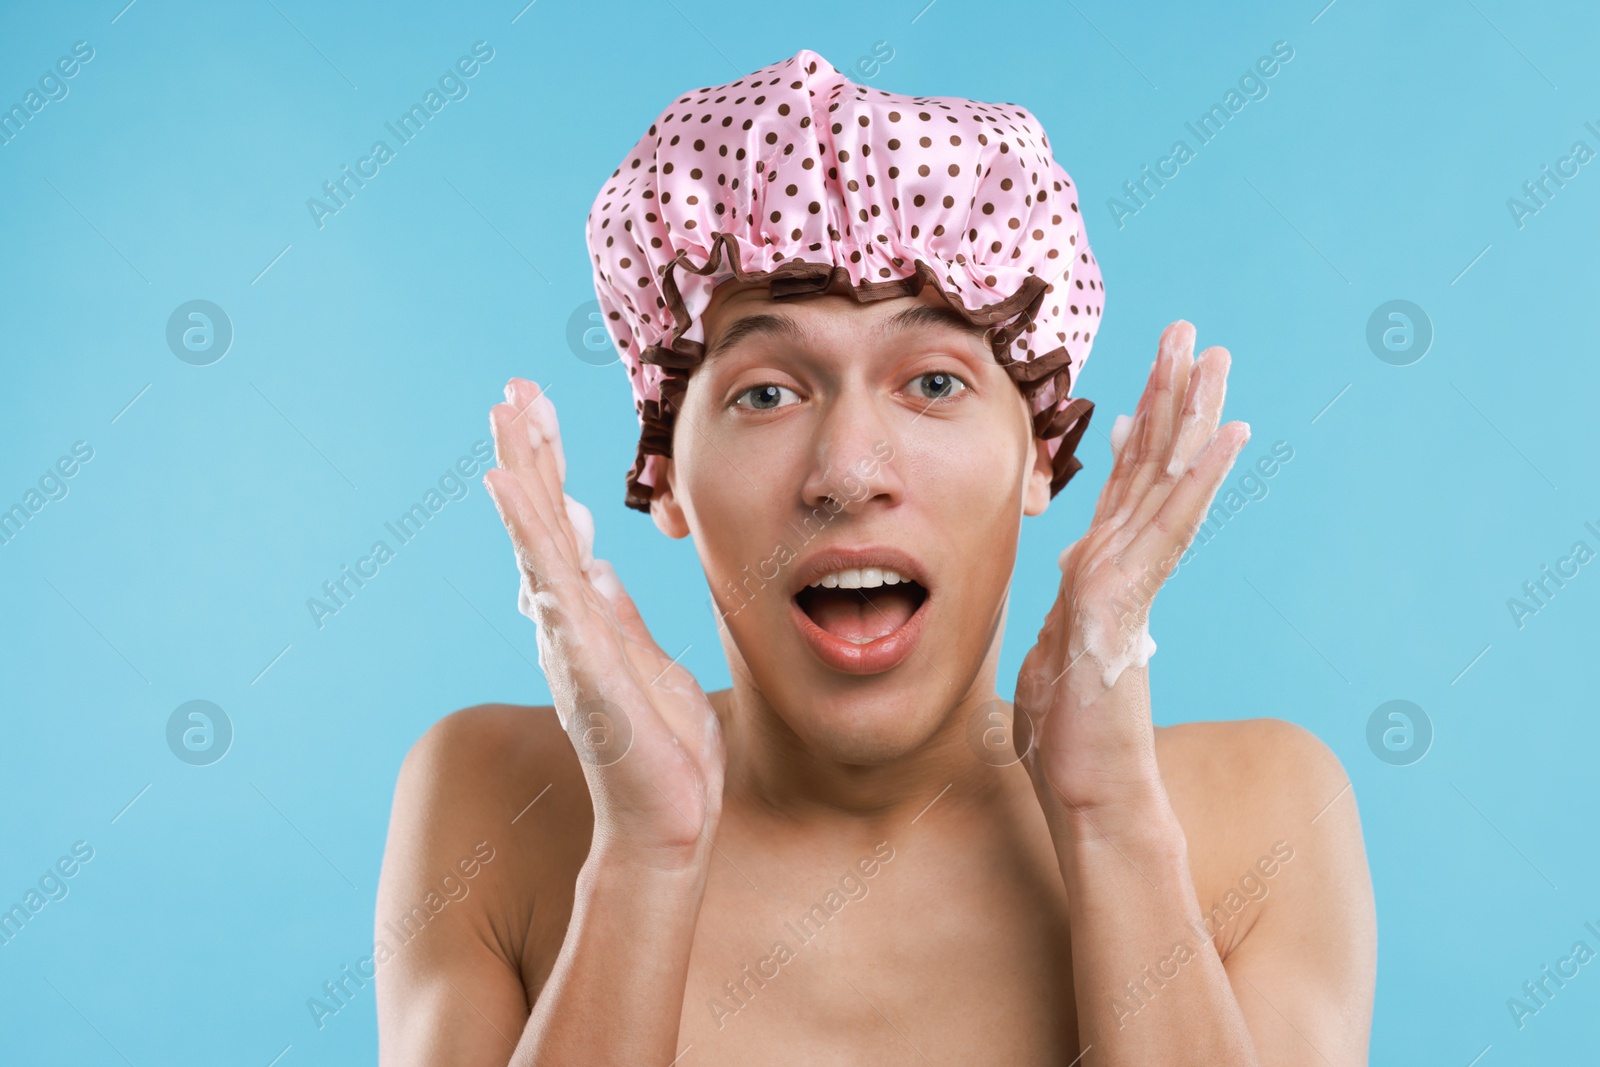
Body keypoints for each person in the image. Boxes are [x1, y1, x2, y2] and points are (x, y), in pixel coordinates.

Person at [374, 48, 1375, 1065]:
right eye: (766, 391)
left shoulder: (1265, 812)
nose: (849, 472)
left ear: (1038, 455)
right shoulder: (494, 800)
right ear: (663, 476)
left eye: (933, 382)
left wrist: (1111, 820)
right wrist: (644, 855)